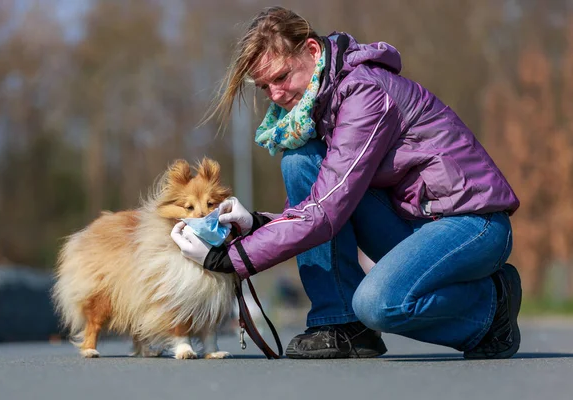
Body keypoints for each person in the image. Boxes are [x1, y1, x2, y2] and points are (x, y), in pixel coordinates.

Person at [171, 6, 522, 360]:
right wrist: (257, 224)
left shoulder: (364, 95)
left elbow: (325, 210)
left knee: (379, 304)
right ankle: (341, 324)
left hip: (473, 223)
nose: (274, 94)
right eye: (265, 87)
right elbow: (327, 198)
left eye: (281, 77)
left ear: (311, 51)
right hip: (415, 224)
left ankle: (491, 307)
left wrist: (230, 258)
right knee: (301, 159)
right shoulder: (323, 110)